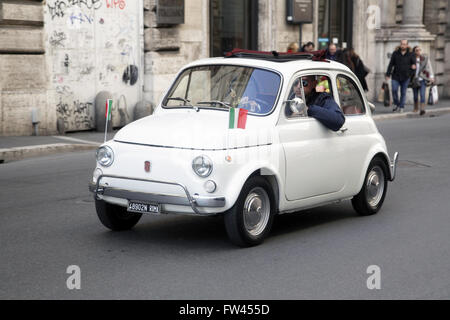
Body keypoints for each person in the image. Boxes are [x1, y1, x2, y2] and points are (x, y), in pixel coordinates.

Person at [385, 40, 416, 113]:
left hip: (406, 77)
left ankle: (401, 106)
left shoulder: (411, 54)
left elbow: (414, 65)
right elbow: (391, 64)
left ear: (407, 45)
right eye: (402, 44)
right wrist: (388, 74)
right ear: (400, 45)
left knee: (403, 92)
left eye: (405, 44)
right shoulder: (395, 53)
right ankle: (397, 104)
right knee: (394, 90)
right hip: (395, 75)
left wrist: (410, 74)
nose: (403, 46)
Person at [411, 46, 434, 116]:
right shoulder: (411, 59)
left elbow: (429, 67)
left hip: (422, 79)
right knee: (415, 96)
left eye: (419, 50)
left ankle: (422, 109)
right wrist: (411, 67)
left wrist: (431, 77)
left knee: (422, 95)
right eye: (416, 50)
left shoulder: (424, 58)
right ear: (414, 51)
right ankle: (415, 107)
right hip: (414, 80)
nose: (418, 51)